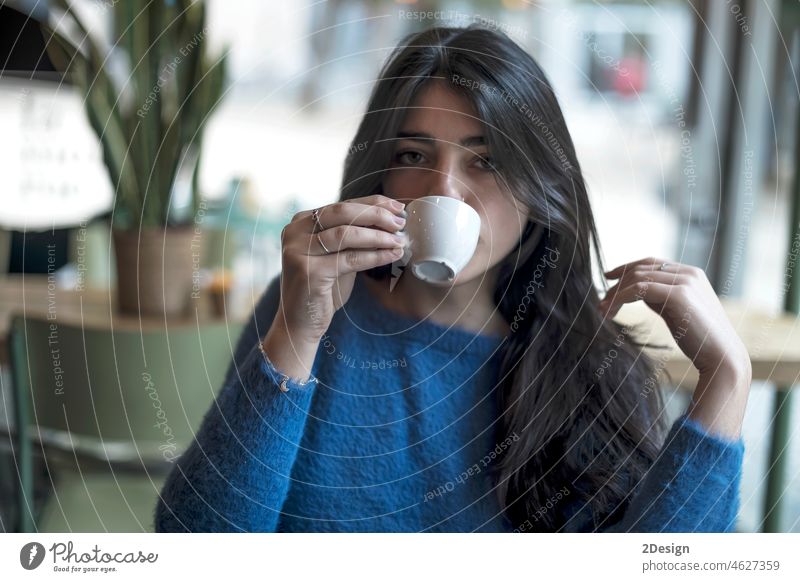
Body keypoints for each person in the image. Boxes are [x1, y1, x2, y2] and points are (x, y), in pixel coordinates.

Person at [154, 25, 751, 533]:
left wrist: (726, 384)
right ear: (381, 174)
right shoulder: (310, 312)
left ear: (538, 187)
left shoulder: (584, 364)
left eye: (484, 161)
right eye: (414, 156)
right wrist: (295, 336)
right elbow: (190, 543)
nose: (444, 191)